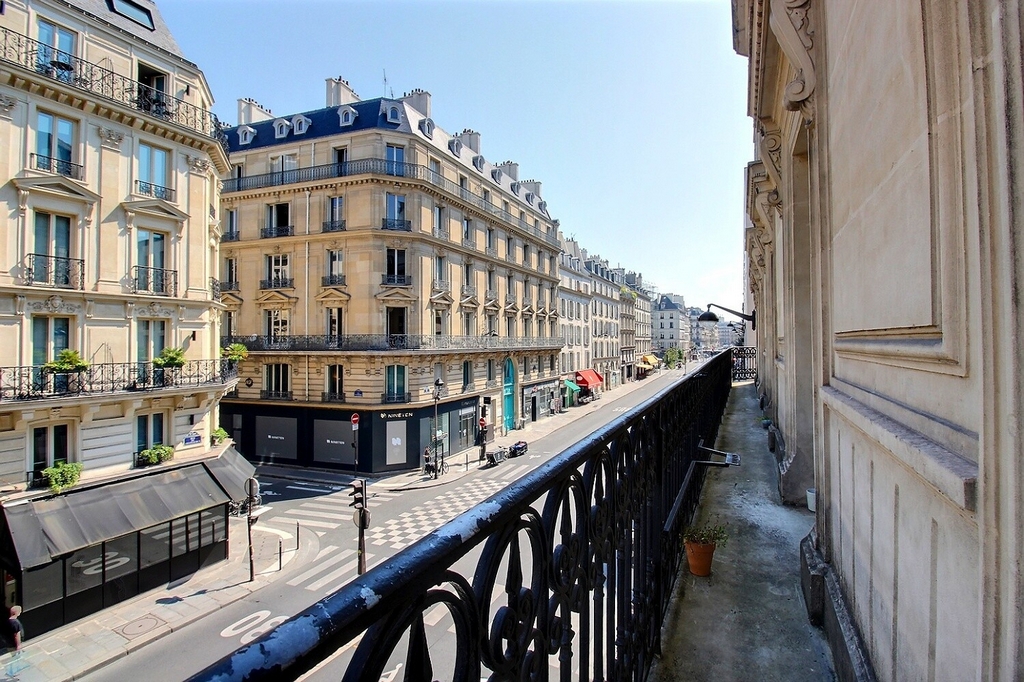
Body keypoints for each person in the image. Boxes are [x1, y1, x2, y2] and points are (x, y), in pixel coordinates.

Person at [1, 605, 23, 676]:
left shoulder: (7, 621)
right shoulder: (15, 623)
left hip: (8, 643)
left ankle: (10, 671)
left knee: (13, 657)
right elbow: (17, 635)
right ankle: (13, 672)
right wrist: (19, 645)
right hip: (14, 644)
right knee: (16, 658)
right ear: (17, 613)